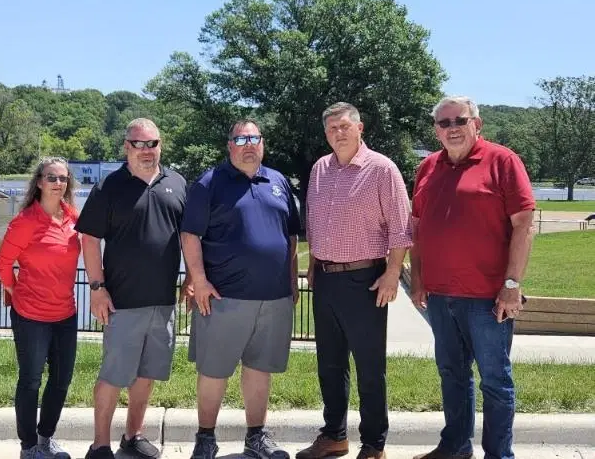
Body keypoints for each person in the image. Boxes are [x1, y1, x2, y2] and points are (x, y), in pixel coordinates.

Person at [409, 96, 535, 459]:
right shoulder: (428, 167)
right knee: (452, 374)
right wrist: (418, 279)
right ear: (436, 130)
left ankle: (499, 454)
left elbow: (524, 225)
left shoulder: (503, 161)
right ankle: (455, 447)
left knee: (495, 381)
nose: (452, 129)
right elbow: (418, 228)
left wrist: (512, 286)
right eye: (444, 123)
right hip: (440, 296)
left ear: (476, 124)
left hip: (487, 298)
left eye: (459, 121)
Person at [296, 103, 412, 459]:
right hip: (326, 279)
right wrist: (314, 263)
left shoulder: (382, 169)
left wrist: (393, 273)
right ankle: (334, 435)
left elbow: (401, 227)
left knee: (369, 367)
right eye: (331, 128)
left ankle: (374, 444)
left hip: (366, 280)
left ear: (360, 128)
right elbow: (315, 223)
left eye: (345, 126)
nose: (338, 133)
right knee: (329, 363)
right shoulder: (319, 169)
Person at [180, 119, 301, 459]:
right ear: (229, 144)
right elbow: (190, 235)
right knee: (214, 370)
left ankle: (256, 438)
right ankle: (205, 438)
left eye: (255, 138)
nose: (249, 145)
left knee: (260, 369)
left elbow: (290, 235)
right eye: (241, 138)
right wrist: (199, 281)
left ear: (263, 143)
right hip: (223, 298)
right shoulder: (209, 183)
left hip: (273, 298)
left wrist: (291, 281)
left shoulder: (277, 181)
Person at [75, 118, 187, 459]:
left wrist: (195, 279)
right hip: (121, 302)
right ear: (126, 147)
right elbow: (89, 238)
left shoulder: (178, 184)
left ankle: (133, 435)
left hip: (163, 301)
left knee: (147, 374)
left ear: (160, 145)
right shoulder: (109, 187)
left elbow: (190, 238)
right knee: (113, 374)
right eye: (138, 144)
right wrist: (97, 287)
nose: (146, 151)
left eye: (152, 143)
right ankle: (99, 444)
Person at [0, 157, 81, 459]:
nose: (58, 183)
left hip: (66, 315)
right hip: (31, 317)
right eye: (51, 177)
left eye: (63, 178)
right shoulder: (26, 222)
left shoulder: (72, 217)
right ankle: (28, 446)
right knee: (31, 380)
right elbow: (3, 264)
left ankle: (46, 439)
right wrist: (14, 290)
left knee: (61, 380)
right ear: (40, 182)